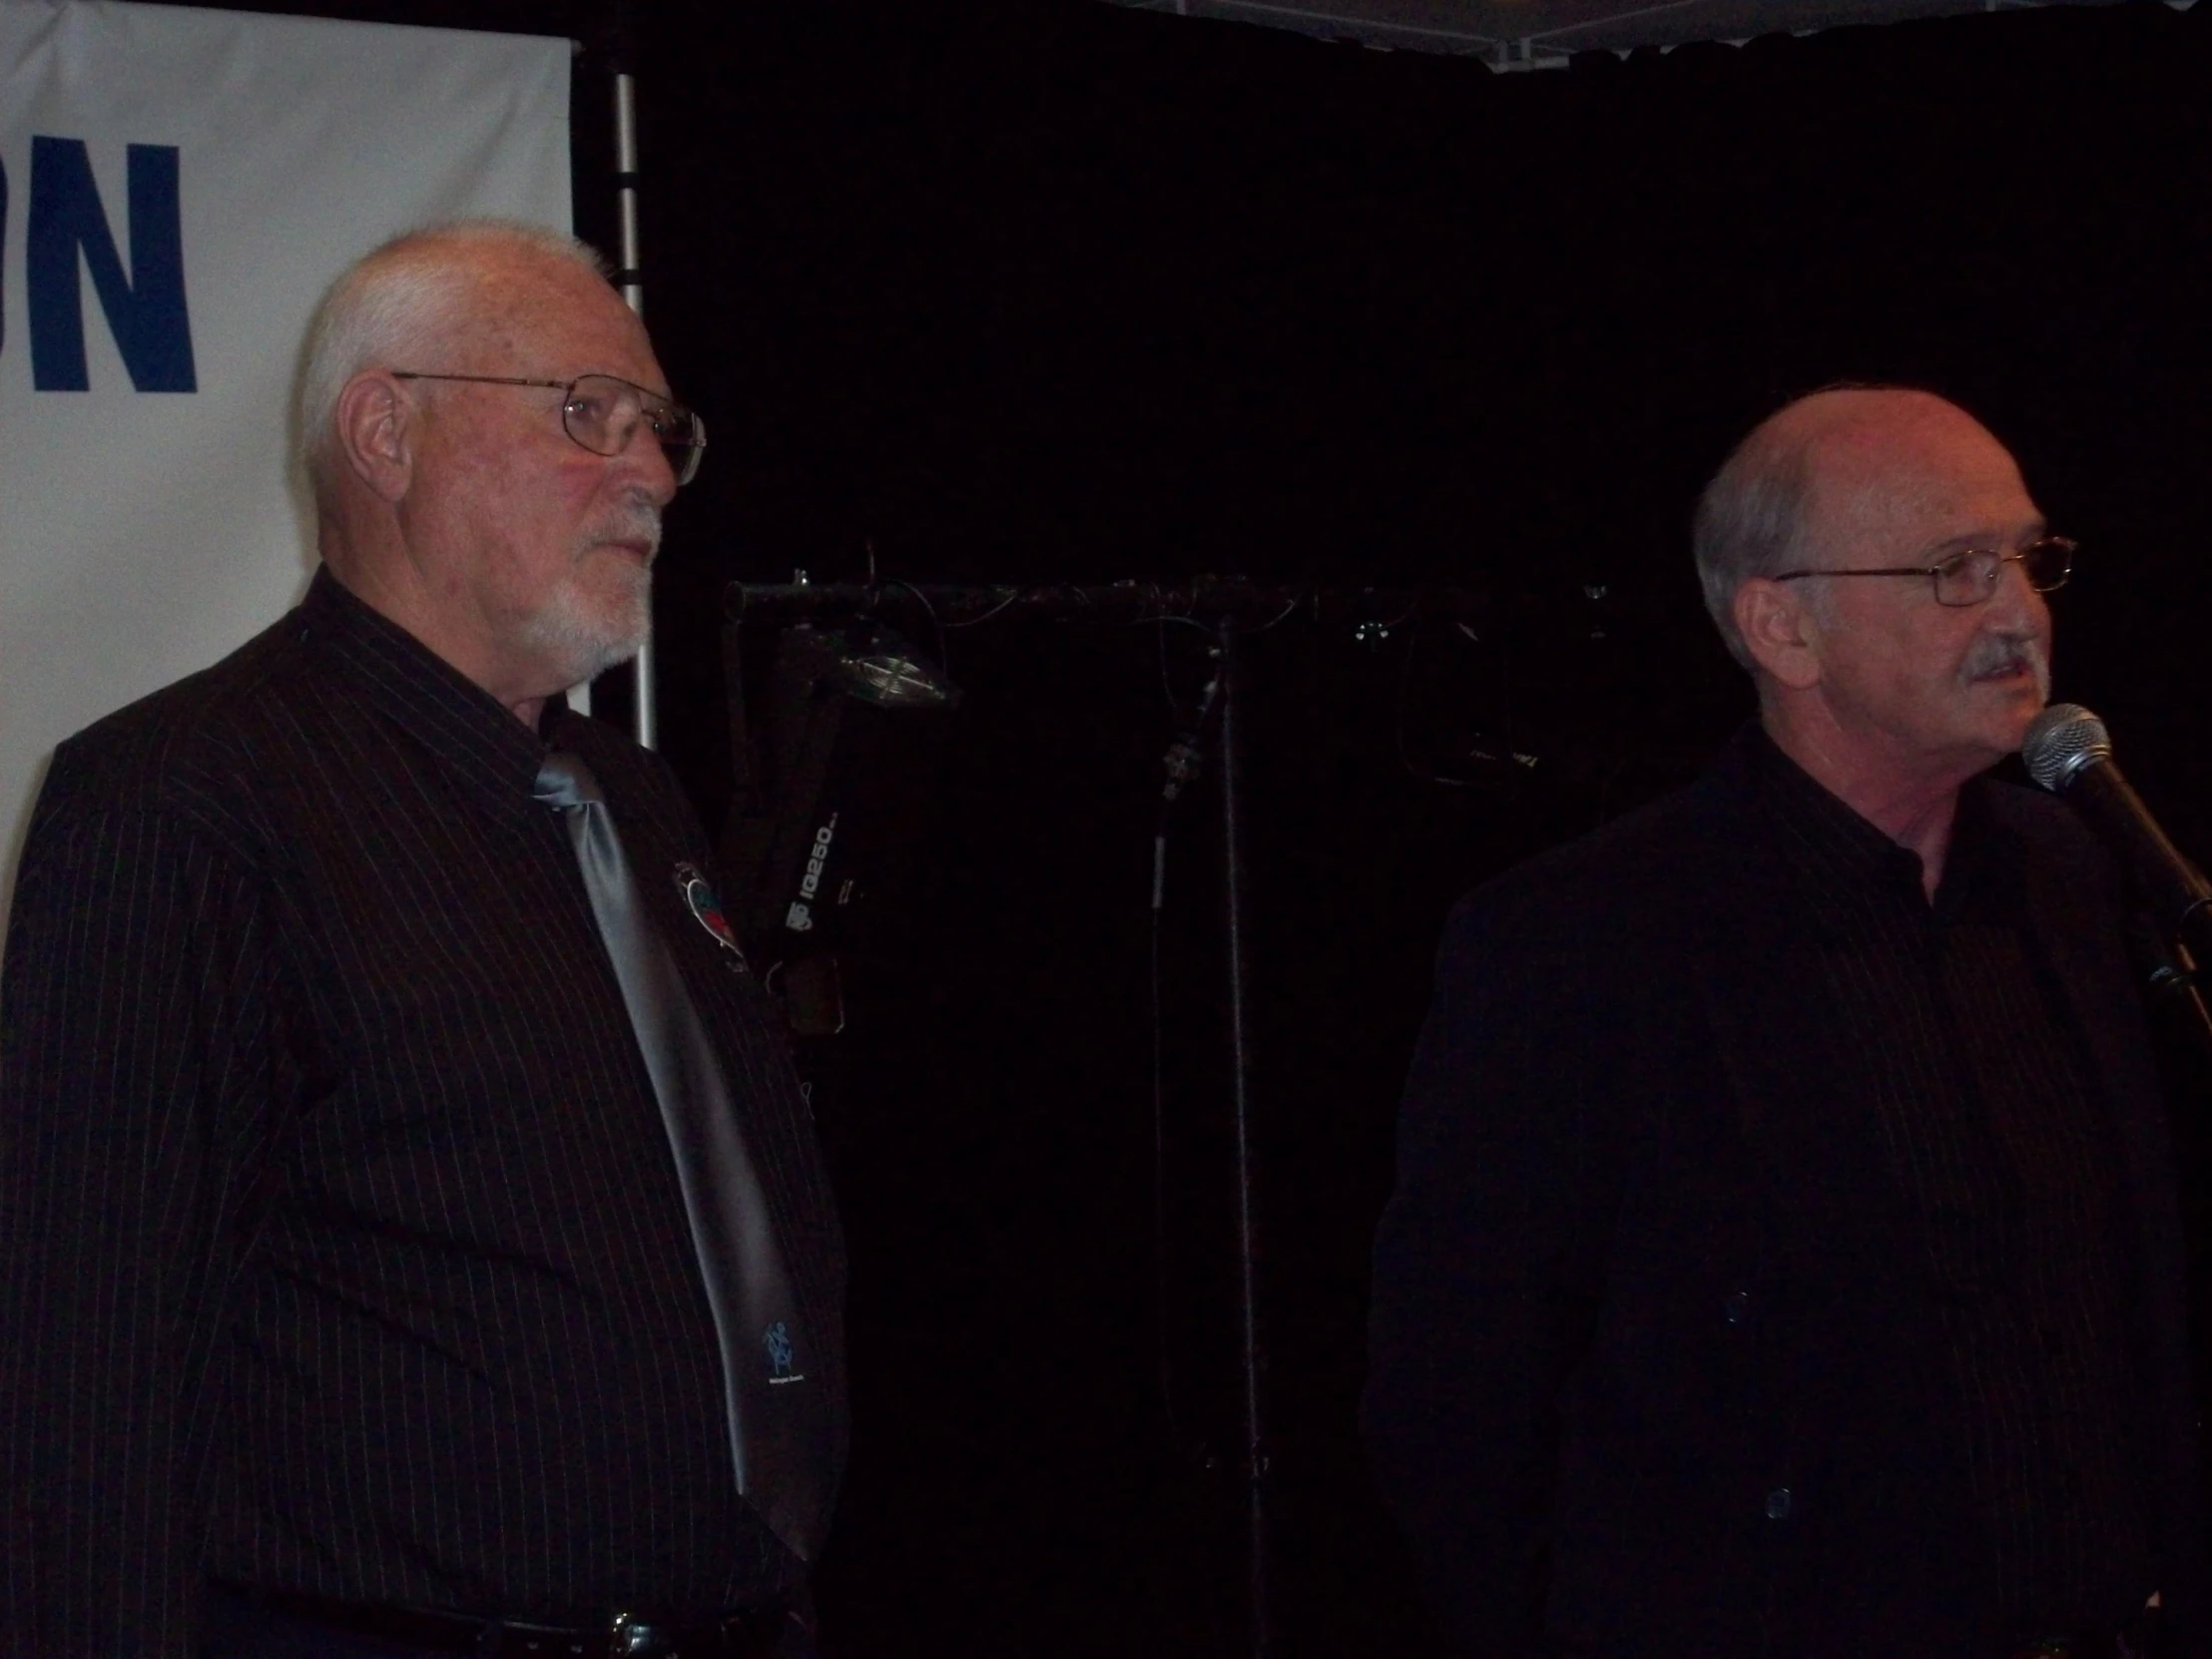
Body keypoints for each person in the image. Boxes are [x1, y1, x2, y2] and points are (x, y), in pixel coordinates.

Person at [0, 222, 846, 1658]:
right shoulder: (181, 801)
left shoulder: (629, 797)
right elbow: (82, 1389)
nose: (647, 470)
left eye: (660, 428)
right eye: (588, 411)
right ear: (385, 431)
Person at [1362, 387, 2208, 1658]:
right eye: (1950, 569)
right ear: (1779, 625)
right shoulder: (1581, 941)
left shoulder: (2068, 876)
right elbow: (1456, 1396)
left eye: (2028, 560)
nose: (2016, 611)